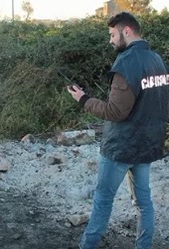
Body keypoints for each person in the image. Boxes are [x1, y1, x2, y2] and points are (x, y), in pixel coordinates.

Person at [67, 12, 169, 249]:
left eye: (112, 35)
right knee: (144, 202)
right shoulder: (157, 61)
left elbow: (115, 112)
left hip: (121, 148)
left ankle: (87, 246)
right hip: (147, 146)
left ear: (127, 31)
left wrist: (83, 99)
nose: (110, 40)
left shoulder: (125, 63)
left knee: (102, 201)